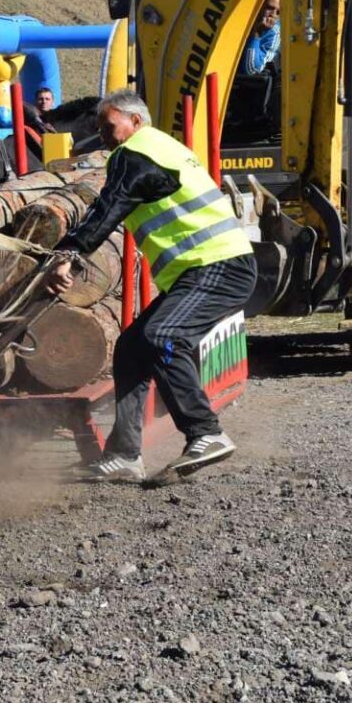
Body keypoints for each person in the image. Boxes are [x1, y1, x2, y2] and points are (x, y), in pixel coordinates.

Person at [47, 89, 257, 482]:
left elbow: (108, 208)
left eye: (109, 127)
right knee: (131, 349)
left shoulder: (138, 153)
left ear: (135, 122)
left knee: (162, 336)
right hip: (207, 268)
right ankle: (125, 455)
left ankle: (205, 433)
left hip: (216, 265)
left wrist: (68, 255)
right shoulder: (159, 148)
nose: (104, 136)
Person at [242, 0, 281, 75]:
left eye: (278, 12)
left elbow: (252, 70)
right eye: (269, 8)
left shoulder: (274, 32)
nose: (273, 15)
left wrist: (257, 33)